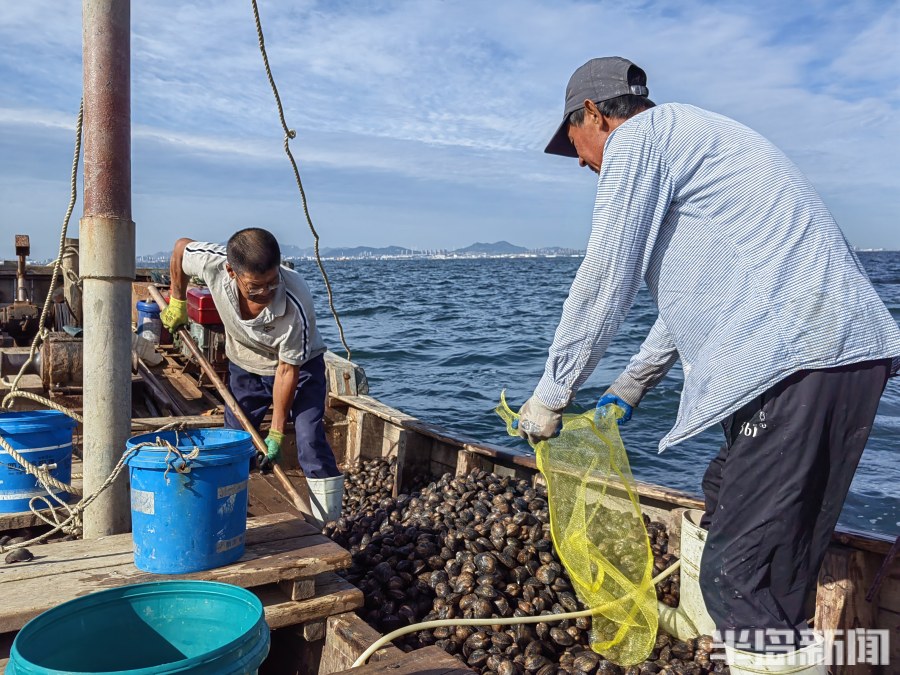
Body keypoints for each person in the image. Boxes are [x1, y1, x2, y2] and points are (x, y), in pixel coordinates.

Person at [516, 57, 900, 675]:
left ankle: (762, 651)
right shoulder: (700, 139)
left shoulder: (639, 140)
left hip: (797, 360)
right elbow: (694, 299)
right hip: (844, 358)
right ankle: (787, 647)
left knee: (735, 578)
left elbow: (606, 275)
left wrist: (553, 391)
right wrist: (629, 387)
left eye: (575, 146)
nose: (584, 163)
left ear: (594, 115)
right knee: (757, 534)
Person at [161, 227, 343, 528]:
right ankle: (230, 515)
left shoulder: (295, 302)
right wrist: (177, 300)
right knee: (234, 442)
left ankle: (330, 523)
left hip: (300, 369)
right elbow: (181, 248)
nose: (267, 292)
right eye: (256, 286)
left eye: (273, 282)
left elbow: (288, 371)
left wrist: (275, 433)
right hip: (244, 367)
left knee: (309, 439)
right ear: (231, 272)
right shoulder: (214, 264)